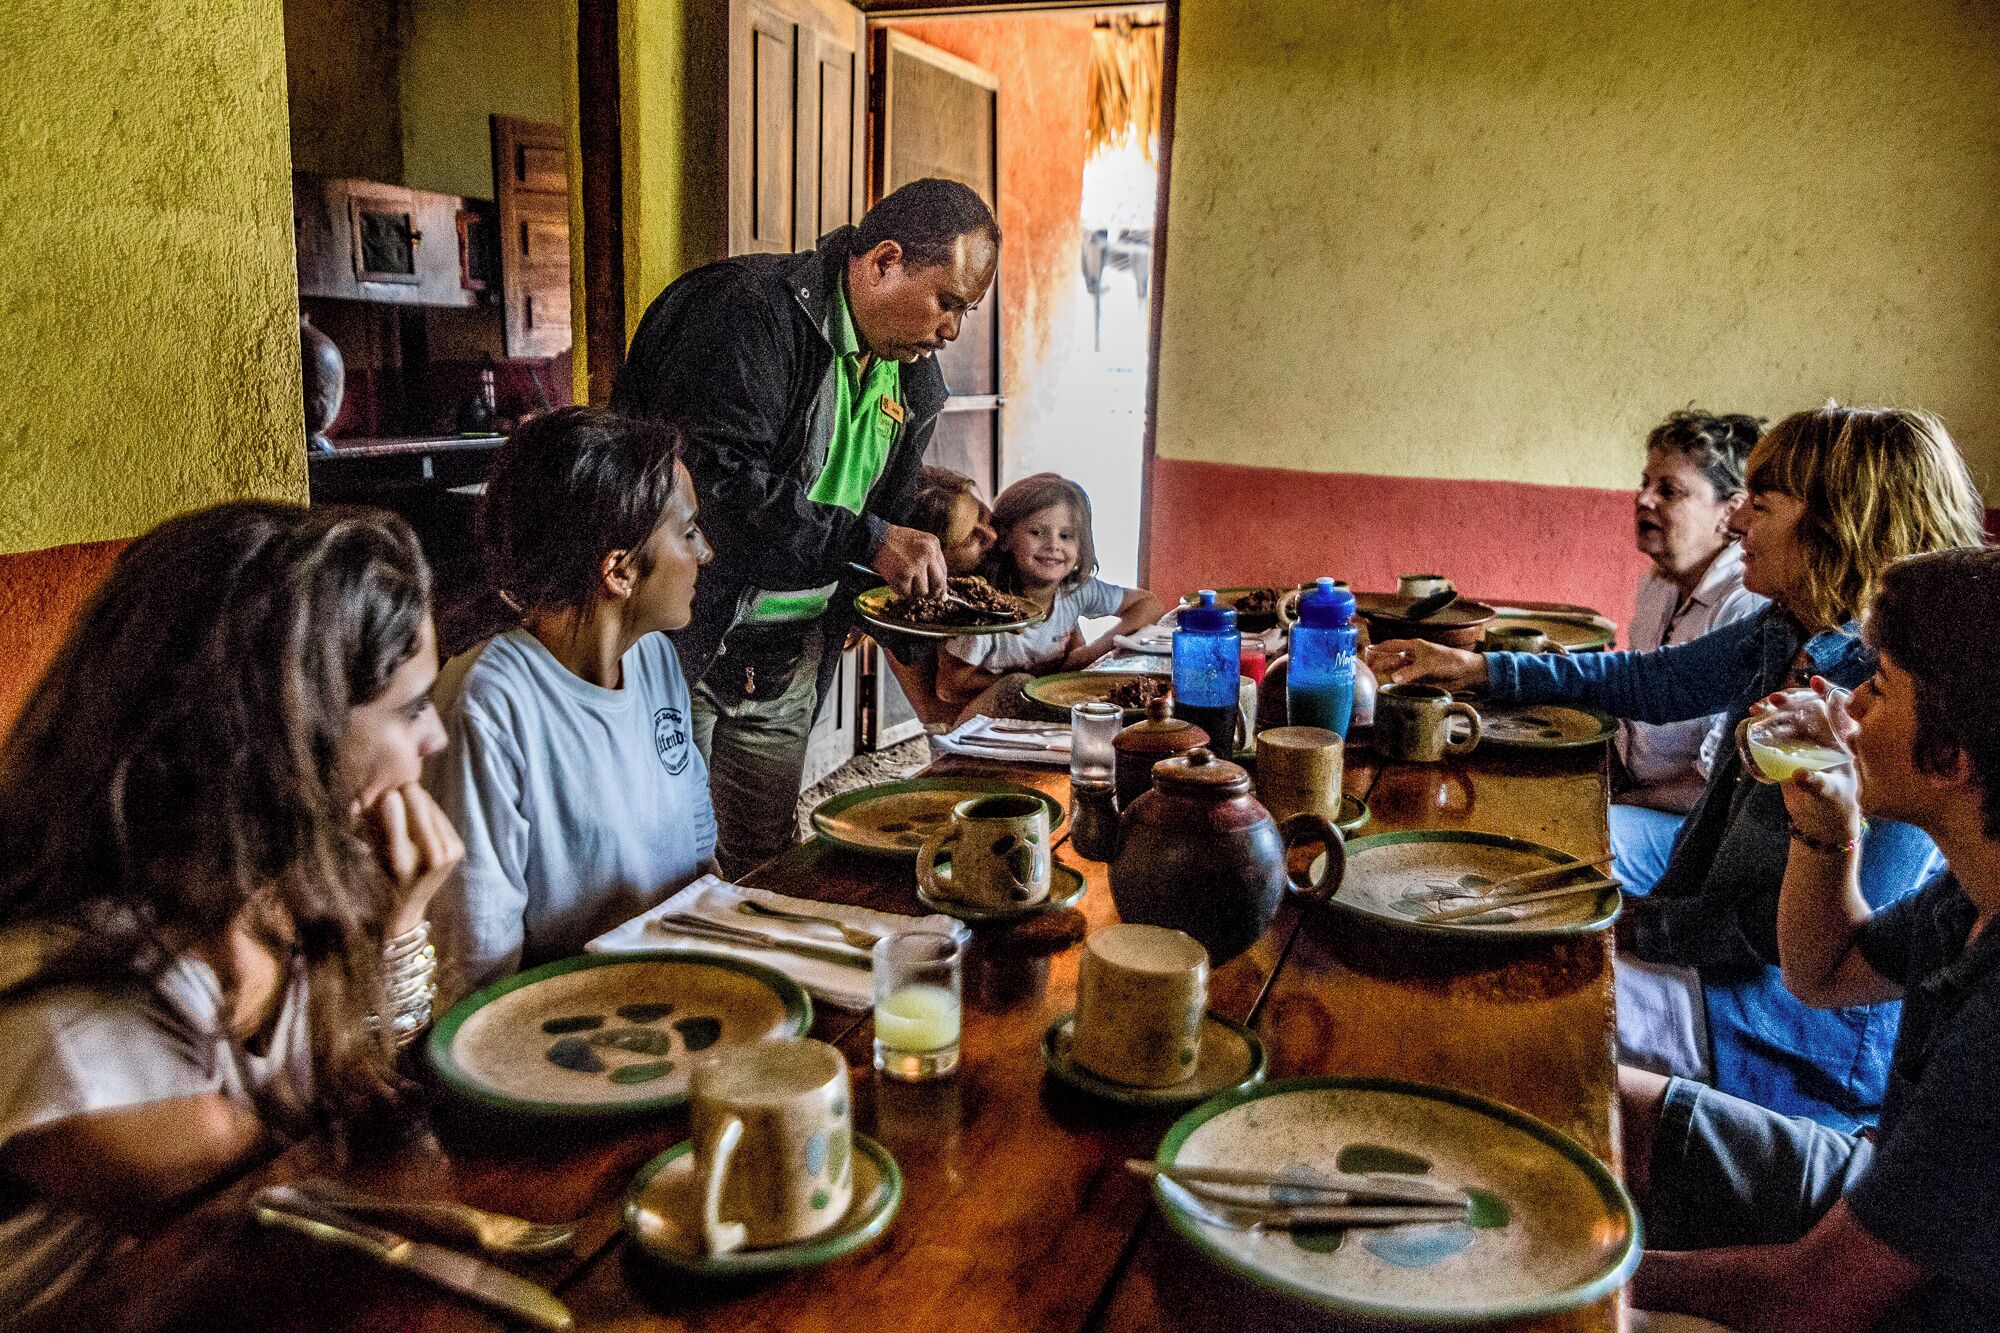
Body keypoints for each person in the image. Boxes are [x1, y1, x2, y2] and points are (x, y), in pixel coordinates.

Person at [1368, 405, 1984, 1125]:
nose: (1734, 524)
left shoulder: (1898, 706)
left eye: (1760, 504)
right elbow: (1652, 681)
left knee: (1505, 995)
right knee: (1485, 949)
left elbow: (1828, 936)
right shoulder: (1786, 630)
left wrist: (1632, 926)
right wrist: (1477, 667)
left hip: (1776, 1024)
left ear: (1837, 523)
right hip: (1702, 966)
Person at [0, 502, 462, 1321]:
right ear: (288, 736)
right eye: (411, 708)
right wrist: (393, 941)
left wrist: (394, 929)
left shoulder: (268, 888)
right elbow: (321, 1207)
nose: (435, 740)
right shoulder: (78, 1029)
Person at [1626, 547, 2000, 1332]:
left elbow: (1811, 1299)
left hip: (1928, 1301)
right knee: (1589, 1092)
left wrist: (1584, 1262)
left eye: (1881, 687)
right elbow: (1824, 970)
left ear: (1950, 760)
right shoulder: (1970, 887)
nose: (1851, 704)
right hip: (1872, 1179)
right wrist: (1824, 826)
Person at [611, 178, 1001, 875]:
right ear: (884, 261)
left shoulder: (912, 381)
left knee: (767, 859)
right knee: (667, 862)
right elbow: (717, 491)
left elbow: (879, 507)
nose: (952, 331)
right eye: (947, 302)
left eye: (965, 312)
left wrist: (875, 597)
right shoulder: (746, 315)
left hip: (791, 651)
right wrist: (869, 542)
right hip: (683, 635)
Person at [426, 407, 717, 996]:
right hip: (558, 1033)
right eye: (687, 534)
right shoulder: (490, 701)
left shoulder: (655, 660)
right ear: (619, 571)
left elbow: (700, 867)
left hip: (677, 993)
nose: (705, 552)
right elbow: (479, 968)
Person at [1616, 409, 1767, 821]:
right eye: (1646, 482)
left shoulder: (1745, 601)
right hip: (1637, 794)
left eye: (1669, 490)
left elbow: (1713, 782)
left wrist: (1615, 803)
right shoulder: (1658, 582)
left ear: (1729, 511)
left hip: (1687, 820)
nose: (1643, 499)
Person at [936, 473, 1163, 719]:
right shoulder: (987, 608)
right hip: (982, 725)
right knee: (1016, 685)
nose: (1053, 545)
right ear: (1005, 538)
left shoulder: (1073, 590)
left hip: (1042, 720)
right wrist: (1041, 682)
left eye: (1066, 536)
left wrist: (1093, 651)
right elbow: (950, 688)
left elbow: (1148, 604)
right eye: (1036, 532)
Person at [876, 466, 998, 727]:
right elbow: (934, 714)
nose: (992, 536)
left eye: (983, 516)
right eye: (970, 540)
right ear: (932, 559)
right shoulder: (908, 618)